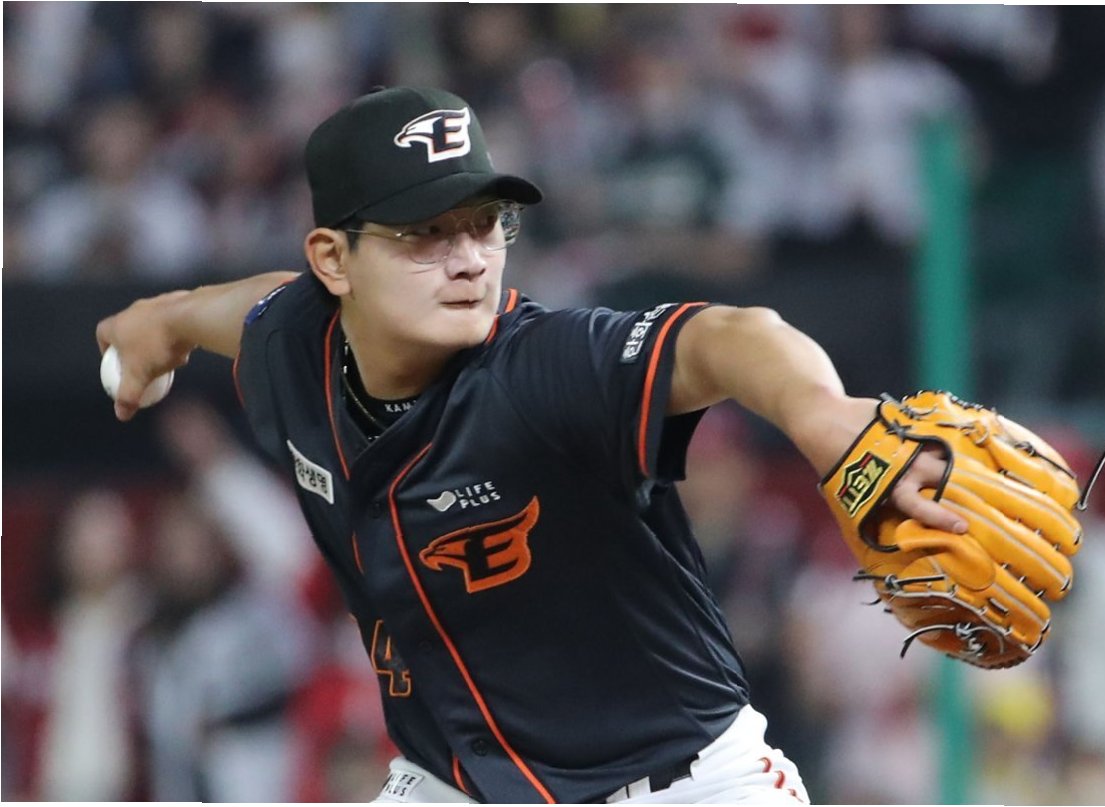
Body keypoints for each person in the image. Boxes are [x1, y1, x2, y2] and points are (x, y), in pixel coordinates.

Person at [96, 86, 967, 804]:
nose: (470, 260)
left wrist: (828, 420)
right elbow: (242, 311)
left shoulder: (545, 366)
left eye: (485, 223)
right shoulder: (293, 343)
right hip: (455, 783)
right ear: (334, 260)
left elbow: (730, 338)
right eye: (425, 233)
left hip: (680, 783)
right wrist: (159, 322)